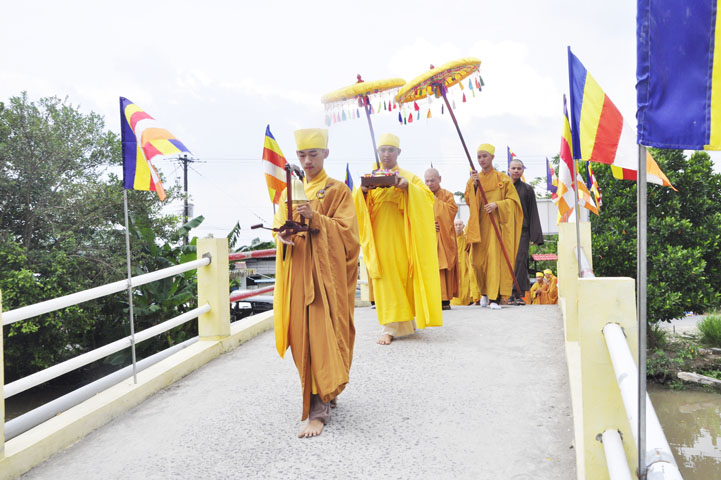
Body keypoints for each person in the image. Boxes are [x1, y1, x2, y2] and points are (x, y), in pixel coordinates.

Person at [272, 128, 360, 438]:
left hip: (325, 281)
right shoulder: (289, 191)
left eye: (313, 154)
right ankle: (325, 390)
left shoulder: (337, 190)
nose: (307, 160)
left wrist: (316, 218)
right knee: (301, 338)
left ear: (325, 154)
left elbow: (349, 237)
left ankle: (318, 410)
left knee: (322, 337)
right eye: (302, 155)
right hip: (299, 274)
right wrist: (282, 235)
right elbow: (281, 228)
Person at [354, 133, 442, 345]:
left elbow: (428, 198)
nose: (386, 154)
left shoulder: (409, 177)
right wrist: (363, 192)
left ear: (398, 152)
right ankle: (389, 327)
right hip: (380, 236)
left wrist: (407, 188)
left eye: (390, 150)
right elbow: (357, 207)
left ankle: (405, 322)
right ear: (378, 152)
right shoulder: (371, 176)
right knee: (385, 277)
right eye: (382, 150)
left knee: (403, 276)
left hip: (404, 237)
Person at [464, 143, 523, 310]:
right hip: (479, 226)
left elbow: (514, 202)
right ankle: (483, 292)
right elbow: (468, 201)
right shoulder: (473, 179)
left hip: (496, 227)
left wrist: (498, 205)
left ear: (492, 157)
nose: (482, 160)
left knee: (494, 261)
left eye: (485, 156)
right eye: (479, 157)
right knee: (477, 262)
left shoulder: (502, 179)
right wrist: (475, 186)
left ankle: (494, 298)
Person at [508, 158, 544, 305]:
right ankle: (505, 293)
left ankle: (516, 294)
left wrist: (535, 235)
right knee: (506, 261)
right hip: (506, 230)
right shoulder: (503, 187)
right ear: (509, 170)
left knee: (520, 261)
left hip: (522, 231)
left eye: (519, 168)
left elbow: (533, 211)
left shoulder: (528, 189)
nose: (516, 171)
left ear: (523, 171)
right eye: (513, 168)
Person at [424, 167, 459, 310]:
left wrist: (435, 201)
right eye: (427, 181)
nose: (429, 184)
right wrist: (427, 224)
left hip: (443, 235)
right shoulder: (421, 195)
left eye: (432, 180)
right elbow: (414, 214)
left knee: (443, 267)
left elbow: (452, 211)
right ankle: (431, 299)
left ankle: (444, 299)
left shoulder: (447, 195)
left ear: (440, 179)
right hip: (427, 237)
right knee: (430, 267)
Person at [450, 218, 474, 306]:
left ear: (463, 226)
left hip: (465, 263)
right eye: (456, 225)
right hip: (454, 264)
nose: (458, 227)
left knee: (465, 282)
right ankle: (454, 302)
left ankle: (467, 300)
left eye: (460, 225)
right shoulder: (450, 238)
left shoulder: (466, 238)